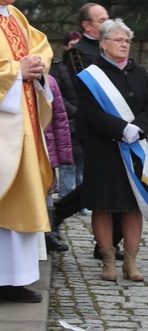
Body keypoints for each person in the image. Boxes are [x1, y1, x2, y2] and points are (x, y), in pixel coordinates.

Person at [76, 19, 148, 282]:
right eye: (119, 40)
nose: (124, 45)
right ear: (103, 44)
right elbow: (89, 114)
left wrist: (139, 128)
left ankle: (131, 263)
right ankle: (108, 261)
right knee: (104, 206)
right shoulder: (90, 76)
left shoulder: (139, 73)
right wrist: (121, 128)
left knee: (134, 206)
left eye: (127, 41)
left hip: (135, 149)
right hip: (104, 150)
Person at [0, 0, 54, 304]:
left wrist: (35, 65)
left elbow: (42, 46)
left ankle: (13, 278)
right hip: (4, 130)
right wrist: (16, 71)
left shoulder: (15, 16)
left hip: (23, 126)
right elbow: (16, 67)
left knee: (19, 202)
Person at [57, 3, 126, 261]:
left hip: (120, 128)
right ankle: (61, 213)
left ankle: (106, 243)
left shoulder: (118, 48)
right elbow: (85, 88)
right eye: (101, 20)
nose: (108, 22)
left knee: (115, 183)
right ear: (87, 25)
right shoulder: (77, 53)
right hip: (95, 127)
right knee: (103, 184)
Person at [50, 30, 83, 200]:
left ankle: (82, 200)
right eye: (71, 45)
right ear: (65, 47)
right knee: (68, 164)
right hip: (68, 122)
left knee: (83, 164)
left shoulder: (86, 68)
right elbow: (57, 95)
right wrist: (74, 111)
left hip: (85, 122)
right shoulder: (59, 68)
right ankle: (66, 198)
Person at [44, 74, 73, 253]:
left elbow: (60, 119)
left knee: (46, 194)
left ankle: (49, 233)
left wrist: (63, 155)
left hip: (46, 148)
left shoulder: (49, 81)